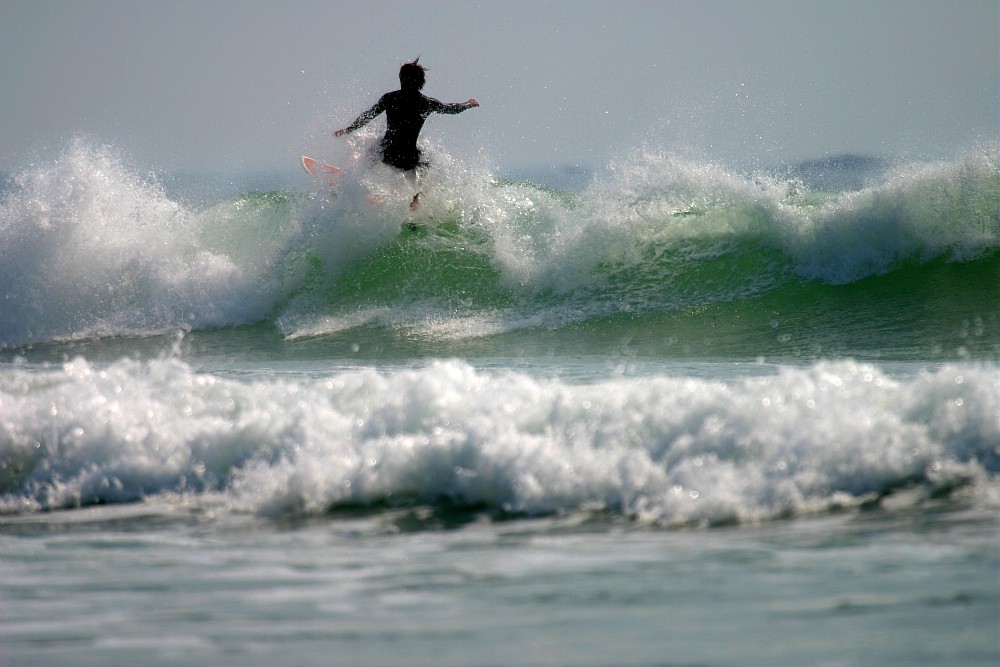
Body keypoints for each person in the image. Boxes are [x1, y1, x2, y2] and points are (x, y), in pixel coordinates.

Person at [334, 58, 479, 211]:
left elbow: (368, 115)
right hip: (409, 159)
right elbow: (451, 108)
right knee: (425, 160)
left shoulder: (390, 98)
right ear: (421, 82)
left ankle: (358, 181)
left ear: (401, 79)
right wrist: (467, 104)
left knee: (373, 149)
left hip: (388, 154)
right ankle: (415, 200)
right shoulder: (427, 103)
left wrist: (348, 129)